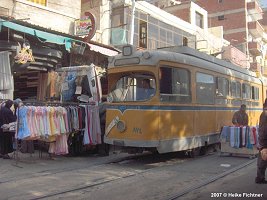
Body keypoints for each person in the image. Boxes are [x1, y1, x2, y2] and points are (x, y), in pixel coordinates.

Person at [255, 100, 267, 184]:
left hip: (264, 141)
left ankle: (260, 178)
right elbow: (263, 129)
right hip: (265, 141)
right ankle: (259, 178)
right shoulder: (265, 114)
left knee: (263, 160)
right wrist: (263, 144)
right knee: (262, 160)